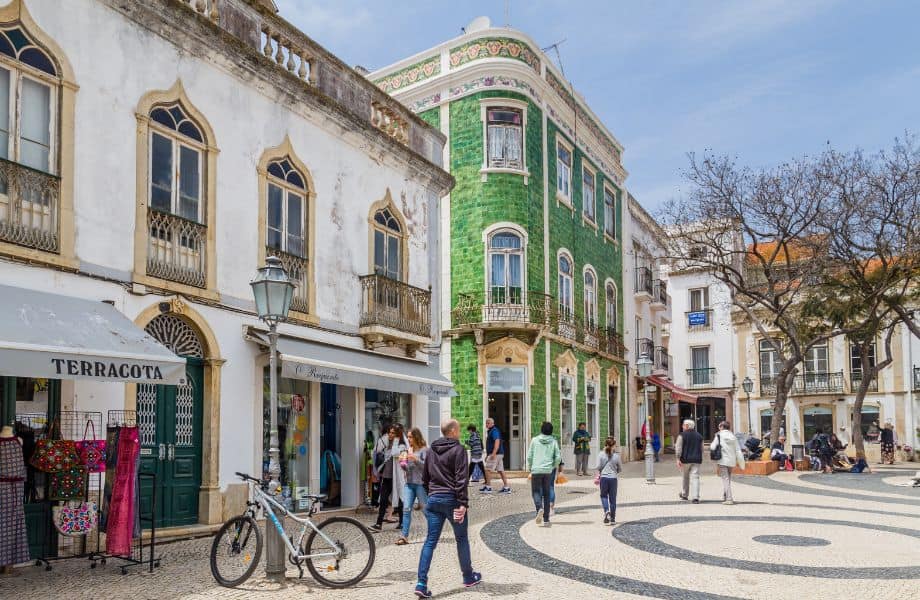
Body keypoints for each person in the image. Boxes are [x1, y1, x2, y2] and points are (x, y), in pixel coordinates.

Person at [414, 419, 482, 598]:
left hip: (434, 500)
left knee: (430, 541)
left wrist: (432, 495)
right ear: (452, 431)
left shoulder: (431, 450)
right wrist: (463, 503)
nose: (460, 433)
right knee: (461, 538)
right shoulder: (458, 449)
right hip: (452, 500)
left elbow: (425, 477)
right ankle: (468, 576)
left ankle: (421, 583)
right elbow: (462, 479)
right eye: (458, 430)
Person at [370, 425, 405, 532]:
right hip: (386, 476)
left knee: (400, 500)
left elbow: (395, 453)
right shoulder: (386, 443)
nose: (390, 434)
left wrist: (395, 441)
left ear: (398, 434)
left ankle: (402, 523)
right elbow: (376, 452)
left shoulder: (402, 445)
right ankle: (378, 524)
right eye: (389, 432)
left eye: (393, 433)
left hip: (397, 478)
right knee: (383, 500)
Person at [397, 428, 429, 546]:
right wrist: (402, 463)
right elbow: (407, 469)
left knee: (426, 510)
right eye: (408, 437)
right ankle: (404, 536)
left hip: (420, 484)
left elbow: (426, 467)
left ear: (416, 437)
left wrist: (415, 459)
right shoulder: (408, 450)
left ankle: (433, 533)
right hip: (409, 484)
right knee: (406, 509)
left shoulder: (424, 450)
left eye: (410, 437)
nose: (408, 439)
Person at [527, 421, 561, 527]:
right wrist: (552, 466)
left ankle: (539, 508)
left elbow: (529, 456)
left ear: (541, 429)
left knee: (536, 492)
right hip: (547, 471)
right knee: (547, 494)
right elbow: (558, 458)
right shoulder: (554, 441)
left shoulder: (534, 440)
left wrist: (531, 468)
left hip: (536, 470)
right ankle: (546, 519)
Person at [710, 421, 745, 505]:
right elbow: (737, 450)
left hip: (722, 460)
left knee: (725, 479)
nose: (718, 428)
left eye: (719, 426)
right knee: (727, 479)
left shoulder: (719, 435)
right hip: (731, 461)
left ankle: (729, 499)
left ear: (722, 427)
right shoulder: (733, 436)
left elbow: (712, 446)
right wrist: (741, 463)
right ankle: (725, 495)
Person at [595, 437, 623, 525]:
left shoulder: (600, 454)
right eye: (615, 445)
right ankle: (613, 519)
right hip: (613, 479)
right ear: (613, 446)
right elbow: (620, 469)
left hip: (604, 478)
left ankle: (606, 511)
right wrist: (615, 471)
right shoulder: (616, 456)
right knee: (613, 499)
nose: (615, 447)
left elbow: (598, 467)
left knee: (603, 496)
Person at [675, 419, 703, 503]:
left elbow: (678, 448)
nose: (682, 426)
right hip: (696, 460)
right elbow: (701, 449)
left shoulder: (682, 435)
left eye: (683, 425)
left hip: (685, 459)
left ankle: (685, 495)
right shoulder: (699, 436)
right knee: (696, 478)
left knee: (685, 477)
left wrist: (678, 458)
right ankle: (695, 497)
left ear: (687, 426)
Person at [480, 417, 511, 494]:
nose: (486, 424)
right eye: (486, 423)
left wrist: (493, 453)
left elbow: (497, 441)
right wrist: (488, 454)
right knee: (501, 470)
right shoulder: (492, 431)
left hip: (496, 454)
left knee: (487, 470)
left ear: (492, 424)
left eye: (488, 423)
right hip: (499, 454)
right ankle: (506, 487)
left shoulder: (494, 431)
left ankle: (488, 487)